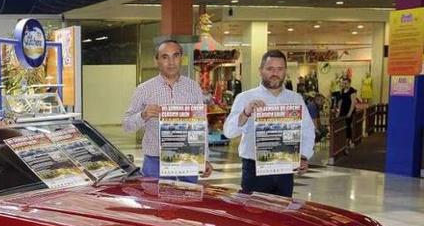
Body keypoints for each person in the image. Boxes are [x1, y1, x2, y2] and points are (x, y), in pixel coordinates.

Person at [224, 50, 316, 197]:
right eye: (270, 69)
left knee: (281, 216)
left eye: (280, 69)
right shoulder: (245, 97)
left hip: (285, 169)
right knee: (253, 215)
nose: (275, 73)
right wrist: (245, 113)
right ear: (260, 71)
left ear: (285, 71)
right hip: (254, 170)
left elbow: (307, 130)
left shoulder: (295, 99)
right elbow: (228, 132)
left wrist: (304, 156)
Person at [122, 39, 212, 183]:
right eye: (165, 57)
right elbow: (126, 125)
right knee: (156, 204)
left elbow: (202, 125)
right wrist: (143, 115)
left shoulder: (193, 87)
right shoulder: (144, 89)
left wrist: (205, 158)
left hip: (187, 161)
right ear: (156, 60)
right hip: (155, 164)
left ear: (181, 58)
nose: (171, 62)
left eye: (175, 56)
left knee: (187, 203)